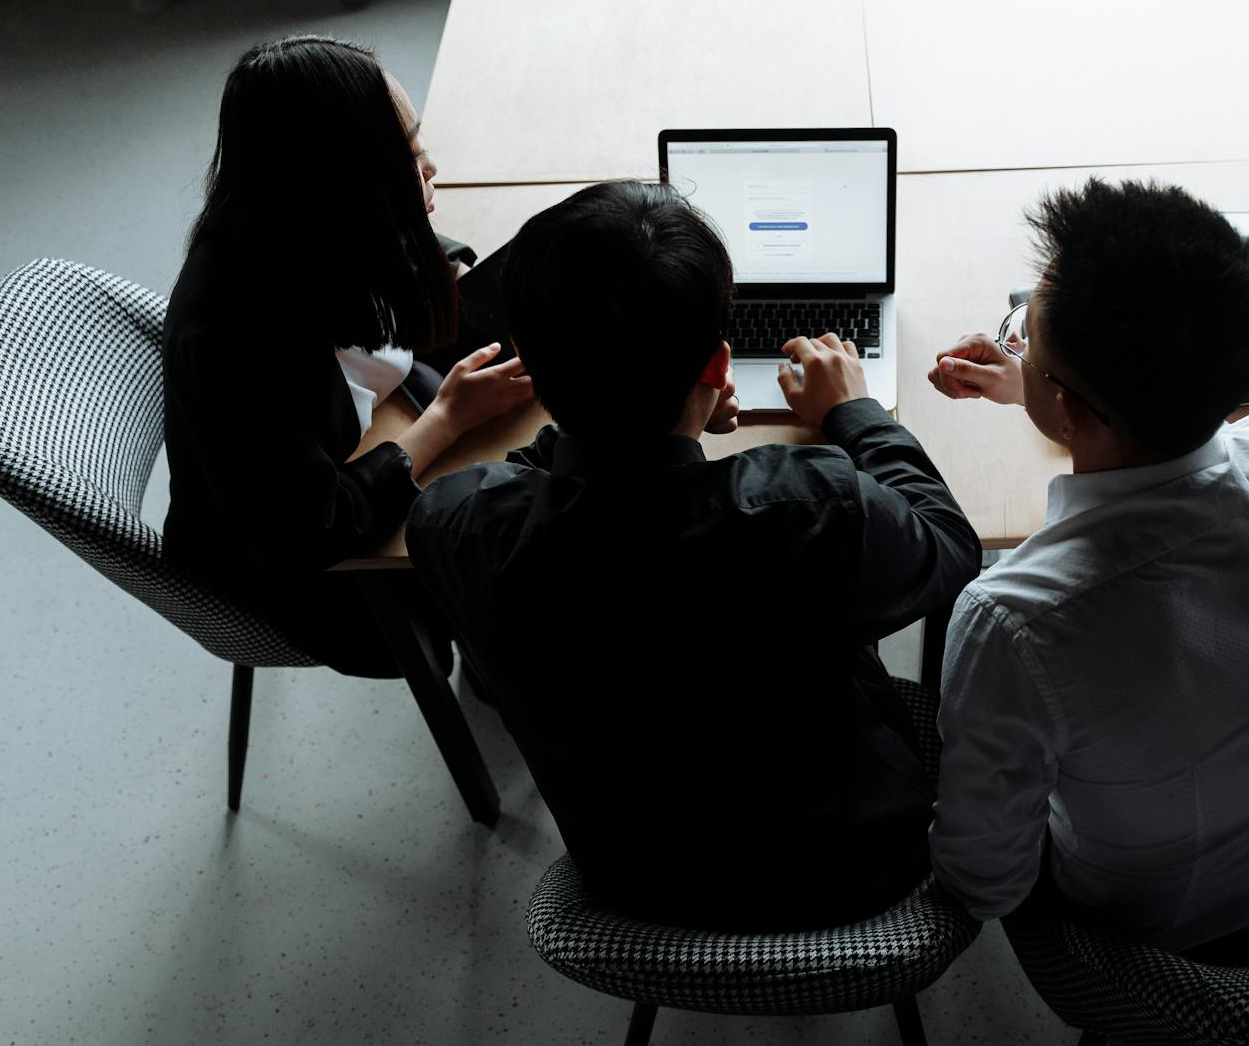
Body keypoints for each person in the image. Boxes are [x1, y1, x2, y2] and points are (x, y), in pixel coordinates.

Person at [406, 180, 981, 931]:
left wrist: (637, 431)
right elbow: (949, 547)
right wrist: (853, 412)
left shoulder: (456, 523)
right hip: (852, 870)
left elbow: (531, 482)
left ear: (532, 370)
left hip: (634, 884)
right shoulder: (812, 503)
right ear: (717, 367)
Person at [924, 179, 1249, 949]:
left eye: (1027, 343)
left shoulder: (1013, 619)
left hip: (1140, 926)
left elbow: (986, 881)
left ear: (1069, 410)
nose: (1017, 349)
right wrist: (1040, 390)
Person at [162, 36, 534, 677]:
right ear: (342, 183)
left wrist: (458, 268)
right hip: (327, 582)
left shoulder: (297, 223)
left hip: (369, 431)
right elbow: (319, 527)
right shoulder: (234, 345)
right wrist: (446, 420)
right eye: (410, 156)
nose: (433, 170)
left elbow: (401, 256)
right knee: (536, 556)